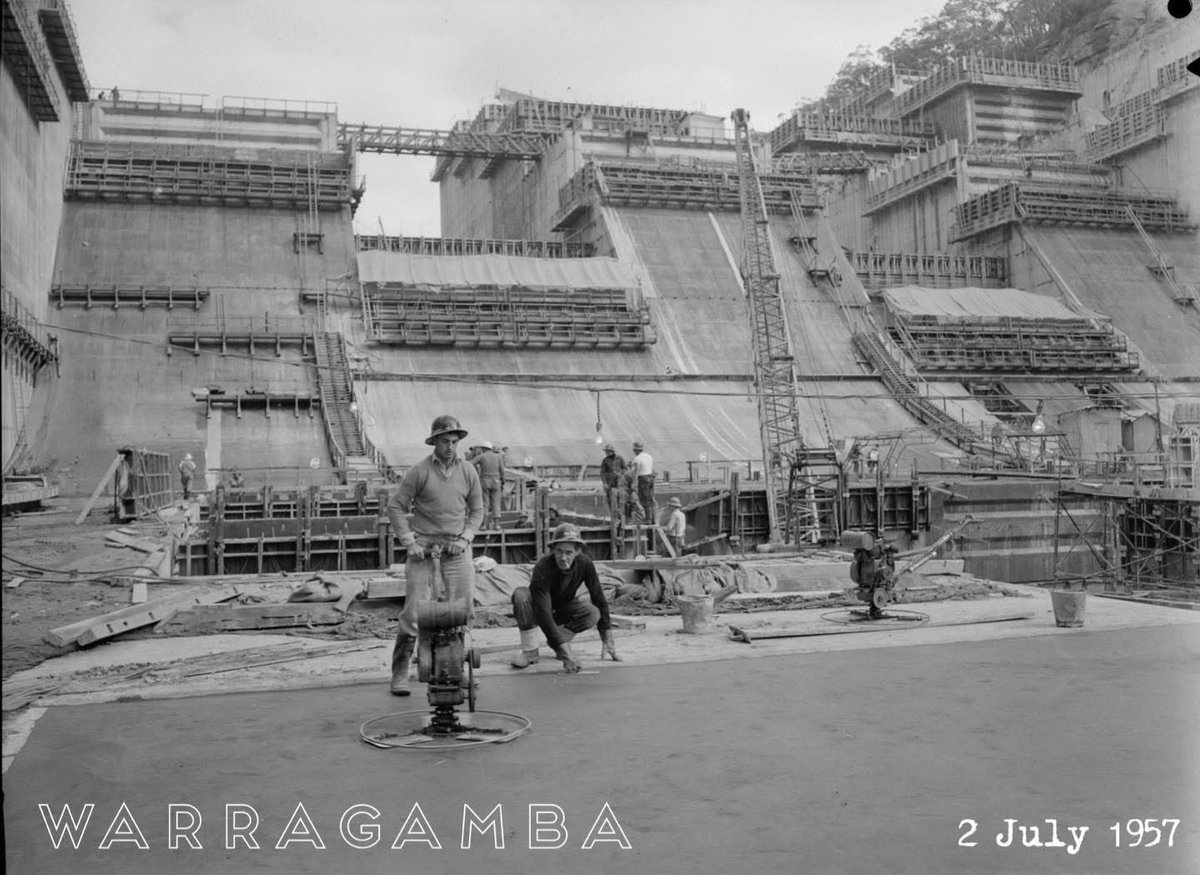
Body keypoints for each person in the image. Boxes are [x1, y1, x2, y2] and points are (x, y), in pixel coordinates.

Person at [385, 415, 484, 696]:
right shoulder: (420, 471)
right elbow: (396, 507)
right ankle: (401, 670)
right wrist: (409, 541)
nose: (450, 447)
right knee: (414, 613)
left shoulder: (468, 472)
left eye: (454, 442)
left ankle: (456, 668)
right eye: (444, 441)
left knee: (462, 610)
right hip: (424, 548)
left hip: (456, 547)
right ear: (434, 442)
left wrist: (465, 538)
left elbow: (477, 511)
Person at [509, 523, 619, 673]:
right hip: (539, 607)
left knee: (593, 613)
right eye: (559, 551)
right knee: (521, 595)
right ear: (553, 550)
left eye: (568, 553)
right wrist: (567, 653)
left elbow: (598, 598)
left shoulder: (585, 563)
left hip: (563, 607)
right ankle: (530, 652)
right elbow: (544, 612)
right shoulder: (543, 567)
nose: (563, 557)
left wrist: (607, 637)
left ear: (578, 552)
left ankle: (559, 644)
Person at [471, 440, 504, 531]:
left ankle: (483, 526)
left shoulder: (481, 456)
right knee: (496, 503)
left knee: (485, 504)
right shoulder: (498, 457)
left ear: (483, 448)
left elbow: (469, 464)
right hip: (496, 481)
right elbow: (502, 471)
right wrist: (503, 481)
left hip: (484, 481)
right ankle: (496, 525)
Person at [599, 443, 626, 520]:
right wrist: (604, 483)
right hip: (609, 483)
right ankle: (613, 516)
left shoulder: (620, 458)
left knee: (619, 498)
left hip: (619, 482)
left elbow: (625, 468)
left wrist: (620, 473)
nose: (606, 453)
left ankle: (620, 516)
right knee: (610, 499)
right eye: (606, 451)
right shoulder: (605, 460)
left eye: (607, 451)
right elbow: (602, 472)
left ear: (611, 451)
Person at [631, 441, 655, 526]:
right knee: (651, 498)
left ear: (636, 450)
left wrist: (634, 483)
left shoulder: (637, 459)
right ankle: (653, 518)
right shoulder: (649, 456)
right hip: (651, 477)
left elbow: (635, 472)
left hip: (643, 479)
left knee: (644, 500)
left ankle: (648, 520)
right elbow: (652, 469)